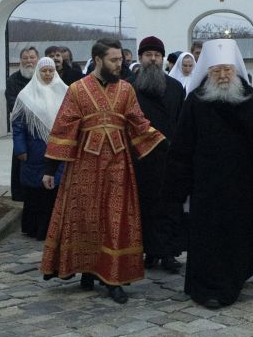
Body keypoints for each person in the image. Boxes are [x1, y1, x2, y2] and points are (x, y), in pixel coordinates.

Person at [40, 38, 166, 304]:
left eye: (120, 59)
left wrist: (163, 143)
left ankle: (113, 278)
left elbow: (138, 122)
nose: (120, 65)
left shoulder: (127, 90)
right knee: (85, 218)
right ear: (98, 60)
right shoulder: (76, 89)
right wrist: (50, 168)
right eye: (114, 60)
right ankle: (87, 269)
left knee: (114, 220)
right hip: (84, 165)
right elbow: (63, 127)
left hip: (118, 165)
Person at [164, 39, 253, 309]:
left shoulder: (252, 97)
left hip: (243, 181)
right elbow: (182, 145)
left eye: (227, 70)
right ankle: (209, 286)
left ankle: (235, 277)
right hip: (206, 182)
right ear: (207, 72)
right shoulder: (195, 101)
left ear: (236, 70)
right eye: (216, 70)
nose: (222, 76)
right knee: (208, 235)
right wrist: (176, 186)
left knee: (237, 233)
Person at [131, 36, 186, 273]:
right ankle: (150, 251)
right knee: (145, 206)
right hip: (141, 158)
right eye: (148, 55)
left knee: (170, 206)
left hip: (170, 157)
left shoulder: (175, 87)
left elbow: (182, 121)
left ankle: (169, 253)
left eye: (157, 55)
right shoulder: (129, 87)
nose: (153, 59)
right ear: (140, 58)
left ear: (163, 59)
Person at [11, 57, 68, 239]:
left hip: (58, 150)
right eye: (44, 71)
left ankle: (52, 230)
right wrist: (20, 149)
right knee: (35, 193)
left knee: (54, 191)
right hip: (34, 151)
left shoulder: (65, 93)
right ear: (38, 72)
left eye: (51, 71)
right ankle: (34, 228)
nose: (47, 74)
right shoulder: (26, 95)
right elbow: (18, 125)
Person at [5, 46, 38, 199]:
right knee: (20, 159)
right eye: (25, 58)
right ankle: (19, 194)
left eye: (32, 57)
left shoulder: (44, 77)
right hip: (22, 129)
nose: (29, 61)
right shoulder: (13, 80)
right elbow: (13, 104)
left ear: (37, 59)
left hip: (42, 129)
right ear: (20, 60)